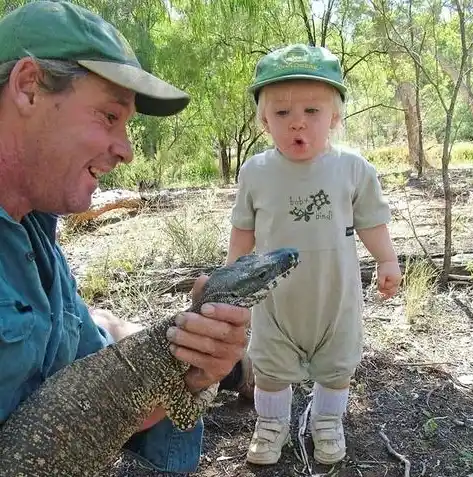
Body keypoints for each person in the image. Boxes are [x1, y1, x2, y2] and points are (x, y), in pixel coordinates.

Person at [0, 1, 252, 474]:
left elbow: (105, 407)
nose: (127, 150)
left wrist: (197, 373)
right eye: (108, 117)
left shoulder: (35, 229)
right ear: (29, 87)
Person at [226, 44, 402, 466]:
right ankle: (270, 425)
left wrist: (387, 259)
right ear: (264, 120)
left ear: (335, 118)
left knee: (337, 367)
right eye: (282, 114)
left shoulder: (353, 168)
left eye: (312, 112)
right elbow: (244, 228)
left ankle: (327, 421)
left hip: (335, 298)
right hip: (275, 300)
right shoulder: (256, 171)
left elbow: (371, 221)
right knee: (269, 368)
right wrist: (232, 274)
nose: (297, 123)